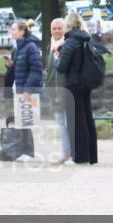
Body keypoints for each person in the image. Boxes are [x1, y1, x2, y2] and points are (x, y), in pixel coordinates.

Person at [55, 12, 98, 165]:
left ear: (68, 25)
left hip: (73, 85)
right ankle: (91, 156)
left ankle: (80, 157)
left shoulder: (70, 42)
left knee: (76, 122)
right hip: (86, 84)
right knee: (87, 119)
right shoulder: (86, 39)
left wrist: (56, 59)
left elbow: (62, 67)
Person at [10, 19, 42, 161]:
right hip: (20, 88)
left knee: (26, 120)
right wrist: (11, 65)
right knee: (21, 121)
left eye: (14, 29)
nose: (12, 32)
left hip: (27, 90)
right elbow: (22, 67)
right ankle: (23, 151)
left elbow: (36, 70)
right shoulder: (19, 48)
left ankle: (28, 153)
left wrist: (28, 90)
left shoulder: (30, 47)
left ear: (22, 31)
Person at [45, 18, 71, 165]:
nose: (56, 31)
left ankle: (72, 154)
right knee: (61, 124)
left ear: (65, 29)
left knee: (69, 123)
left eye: (59, 28)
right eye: (54, 28)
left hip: (65, 90)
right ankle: (66, 153)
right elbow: (49, 70)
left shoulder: (66, 46)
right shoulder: (50, 46)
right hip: (53, 92)